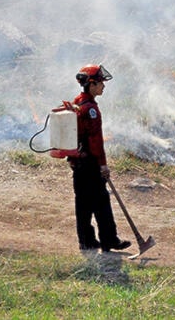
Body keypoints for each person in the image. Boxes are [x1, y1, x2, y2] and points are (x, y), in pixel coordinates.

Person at [68, 64, 130, 253]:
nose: (104, 86)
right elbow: (96, 142)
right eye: (101, 83)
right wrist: (103, 165)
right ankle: (109, 239)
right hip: (90, 163)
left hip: (78, 162)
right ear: (92, 84)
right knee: (102, 201)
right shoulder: (91, 110)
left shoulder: (77, 103)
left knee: (83, 203)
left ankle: (86, 241)